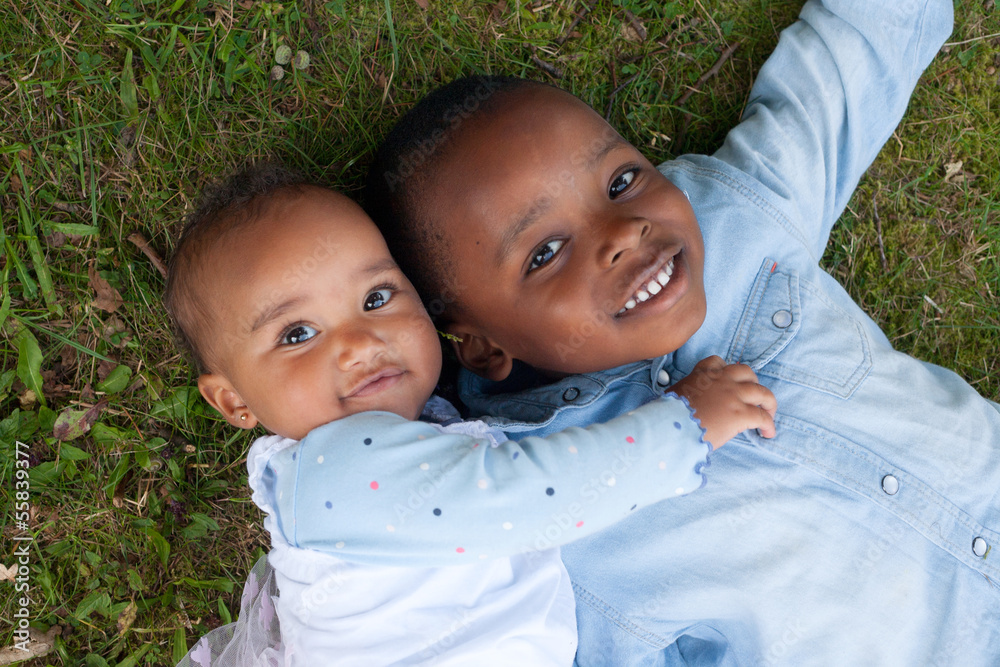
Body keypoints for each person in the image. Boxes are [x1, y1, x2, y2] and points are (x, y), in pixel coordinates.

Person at [362, 0, 1000, 664]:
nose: (622, 234)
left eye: (622, 180)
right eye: (546, 252)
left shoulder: (733, 220)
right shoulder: (554, 536)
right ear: (486, 346)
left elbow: (846, 71)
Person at [165, 164, 777, 666]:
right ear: (234, 401)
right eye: (297, 333)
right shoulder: (331, 474)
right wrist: (687, 426)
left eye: (377, 298)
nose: (358, 342)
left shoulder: (396, 446)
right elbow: (533, 494)